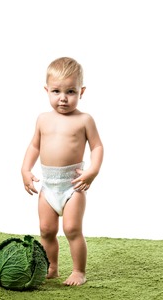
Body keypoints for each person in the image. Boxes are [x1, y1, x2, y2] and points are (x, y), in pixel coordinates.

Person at [21, 57, 104, 286]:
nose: (63, 98)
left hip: (73, 185)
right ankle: (52, 267)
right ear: (47, 90)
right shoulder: (43, 119)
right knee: (46, 230)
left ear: (82, 91)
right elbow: (34, 146)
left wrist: (93, 171)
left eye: (71, 91)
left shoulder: (84, 120)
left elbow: (97, 146)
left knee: (72, 229)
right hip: (48, 185)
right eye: (56, 91)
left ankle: (79, 271)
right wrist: (25, 169)